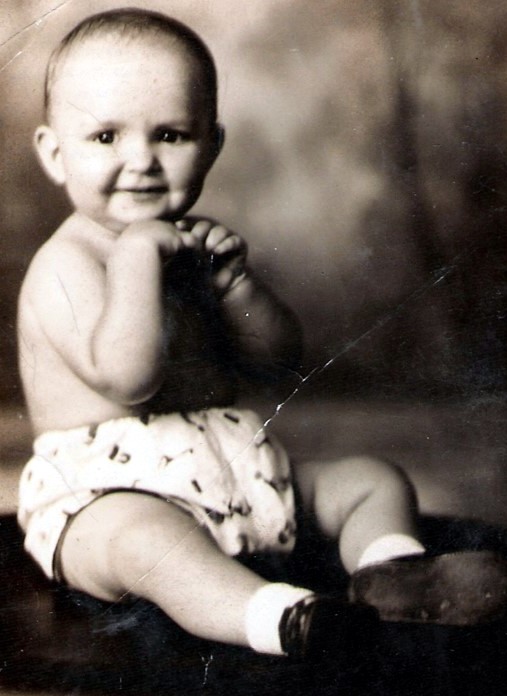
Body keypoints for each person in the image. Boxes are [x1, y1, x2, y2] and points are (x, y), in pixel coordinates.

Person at [17, 8, 507, 660]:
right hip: (105, 497)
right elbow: (128, 379)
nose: (141, 161)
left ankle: (392, 573)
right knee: (147, 546)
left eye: (170, 135)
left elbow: (276, 363)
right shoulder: (66, 264)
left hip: (234, 478)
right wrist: (136, 258)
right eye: (105, 137)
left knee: (371, 478)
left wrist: (235, 286)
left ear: (210, 146)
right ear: (55, 154)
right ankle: (279, 618)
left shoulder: (192, 250)